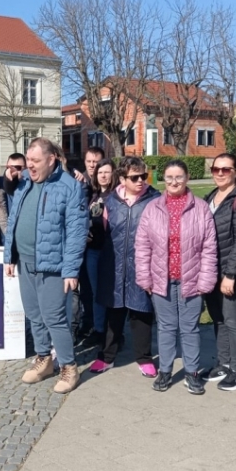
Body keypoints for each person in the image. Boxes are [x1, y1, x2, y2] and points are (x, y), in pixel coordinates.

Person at [3, 137, 88, 394]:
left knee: (54, 318)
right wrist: (10, 256)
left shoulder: (70, 187)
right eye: (28, 160)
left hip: (54, 266)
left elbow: (76, 231)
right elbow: (14, 219)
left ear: (52, 160)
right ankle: (44, 360)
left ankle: (69, 367)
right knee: (34, 314)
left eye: (36, 161)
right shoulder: (25, 183)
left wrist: (71, 269)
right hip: (26, 261)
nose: (30, 166)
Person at [135, 160, 217, 395]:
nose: (174, 181)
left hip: (191, 279)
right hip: (161, 279)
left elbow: (209, 248)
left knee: (190, 328)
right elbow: (142, 246)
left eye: (179, 177)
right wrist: (145, 278)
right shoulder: (153, 208)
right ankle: (166, 371)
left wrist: (205, 281)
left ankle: (191, 372)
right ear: (163, 179)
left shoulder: (200, 208)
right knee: (167, 327)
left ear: (187, 177)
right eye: (169, 177)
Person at [91, 157, 160, 376]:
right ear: (122, 178)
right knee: (114, 311)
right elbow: (103, 231)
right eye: (134, 177)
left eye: (143, 176)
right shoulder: (110, 201)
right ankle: (107, 356)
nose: (141, 181)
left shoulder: (155, 199)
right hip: (114, 263)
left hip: (143, 265)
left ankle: (144, 357)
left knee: (141, 312)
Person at [201, 153, 236, 391]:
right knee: (218, 318)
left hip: (232, 271)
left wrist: (231, 274)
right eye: (216, 169)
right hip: (211, 269)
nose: (220, 173)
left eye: (226, 169)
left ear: (235, 171)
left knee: (233, 319)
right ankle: (223, 363)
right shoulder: (211, 196)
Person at [82, 158, 115, 343]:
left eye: (107, 172)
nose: (103, 175)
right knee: (96, 293)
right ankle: (99, 328)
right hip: (92, 250)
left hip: (109, 251)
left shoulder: (116, 196)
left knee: (109, 292)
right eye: (100, 172)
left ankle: (112, 331)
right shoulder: (94, 195)